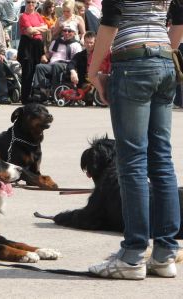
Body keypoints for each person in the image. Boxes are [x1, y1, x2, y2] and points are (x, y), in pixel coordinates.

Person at [87, 0, 183, 280]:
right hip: (165, 58)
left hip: (132, 62)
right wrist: (166, 51)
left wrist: (93, 72)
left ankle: (132, 255)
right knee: (162, 160)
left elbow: (110, 23)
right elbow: (179, 19)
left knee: (132, 164)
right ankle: (165, 253)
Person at [31, 23, 82, 98]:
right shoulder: (56, 42)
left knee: (56, 65)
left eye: (69, 31)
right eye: (65, 31)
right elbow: (50, 54)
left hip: (66, 65)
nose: (66, 33)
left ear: (74, 33)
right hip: (52, 64)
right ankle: (40, 92)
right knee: (39, 66)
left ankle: (55, 91)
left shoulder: (76, 45)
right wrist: (45, 56)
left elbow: (76, 60)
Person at [66, 30, 110, 104]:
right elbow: (71, 64)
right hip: (85, 83)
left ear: (95, 43)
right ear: (84, 43)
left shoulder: (101, 54)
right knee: (89, 94)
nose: (89, 45)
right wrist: (73, 72)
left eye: (91, 43)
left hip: (99, 80)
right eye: (87, 42)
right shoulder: (79, 55)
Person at [17, 0, 47, 104]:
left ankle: (36, 96)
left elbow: (46, 27)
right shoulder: (23, 16)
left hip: (37, 45)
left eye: (33, 2)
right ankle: (25, 98)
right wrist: (36, 29)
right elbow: (30, 31)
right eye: (29, 2)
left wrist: (34, 29)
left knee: (37, 70)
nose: (31, 4)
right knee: (28, 73)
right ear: (25, 3)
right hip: (27, 46)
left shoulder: (37, 15)